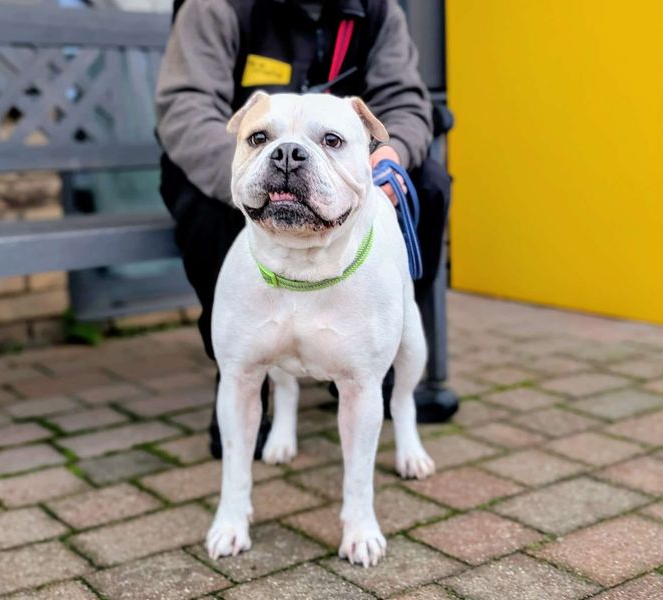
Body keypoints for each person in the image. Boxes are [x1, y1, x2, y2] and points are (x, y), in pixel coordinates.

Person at [156, 0, 453, 458]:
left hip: (342, 166)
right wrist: (254, 180)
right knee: (207, 206)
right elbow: (186, 107)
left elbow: (405, 102)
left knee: (427, 184)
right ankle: (242, 362)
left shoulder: (376, 11)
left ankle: (375, 342)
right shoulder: (217, 6)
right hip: (237, 160)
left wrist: (389, 153)